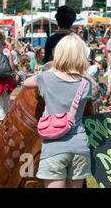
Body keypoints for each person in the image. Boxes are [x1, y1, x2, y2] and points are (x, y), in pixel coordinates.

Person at [24, 33, 93, 188]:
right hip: (79, 146)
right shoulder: (86, 83)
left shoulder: (45, 78)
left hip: (54, 145)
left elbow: (26, 83)